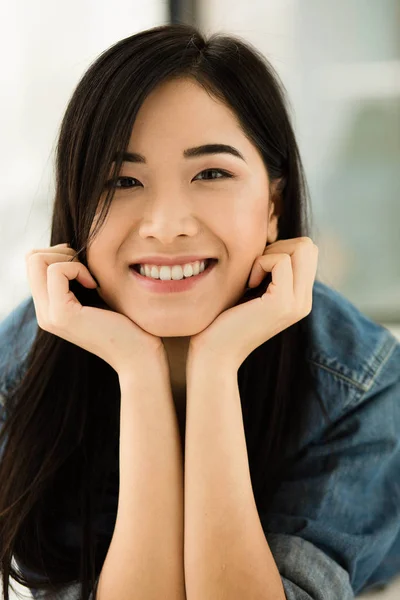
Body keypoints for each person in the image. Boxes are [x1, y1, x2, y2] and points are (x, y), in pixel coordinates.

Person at [0, 22, 399, 600]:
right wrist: (138, 371)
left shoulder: (358, 381)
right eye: (122, 180)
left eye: (211, 173)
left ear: (273, 205)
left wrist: (215, 367)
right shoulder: (20, 369)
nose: (167, 225)